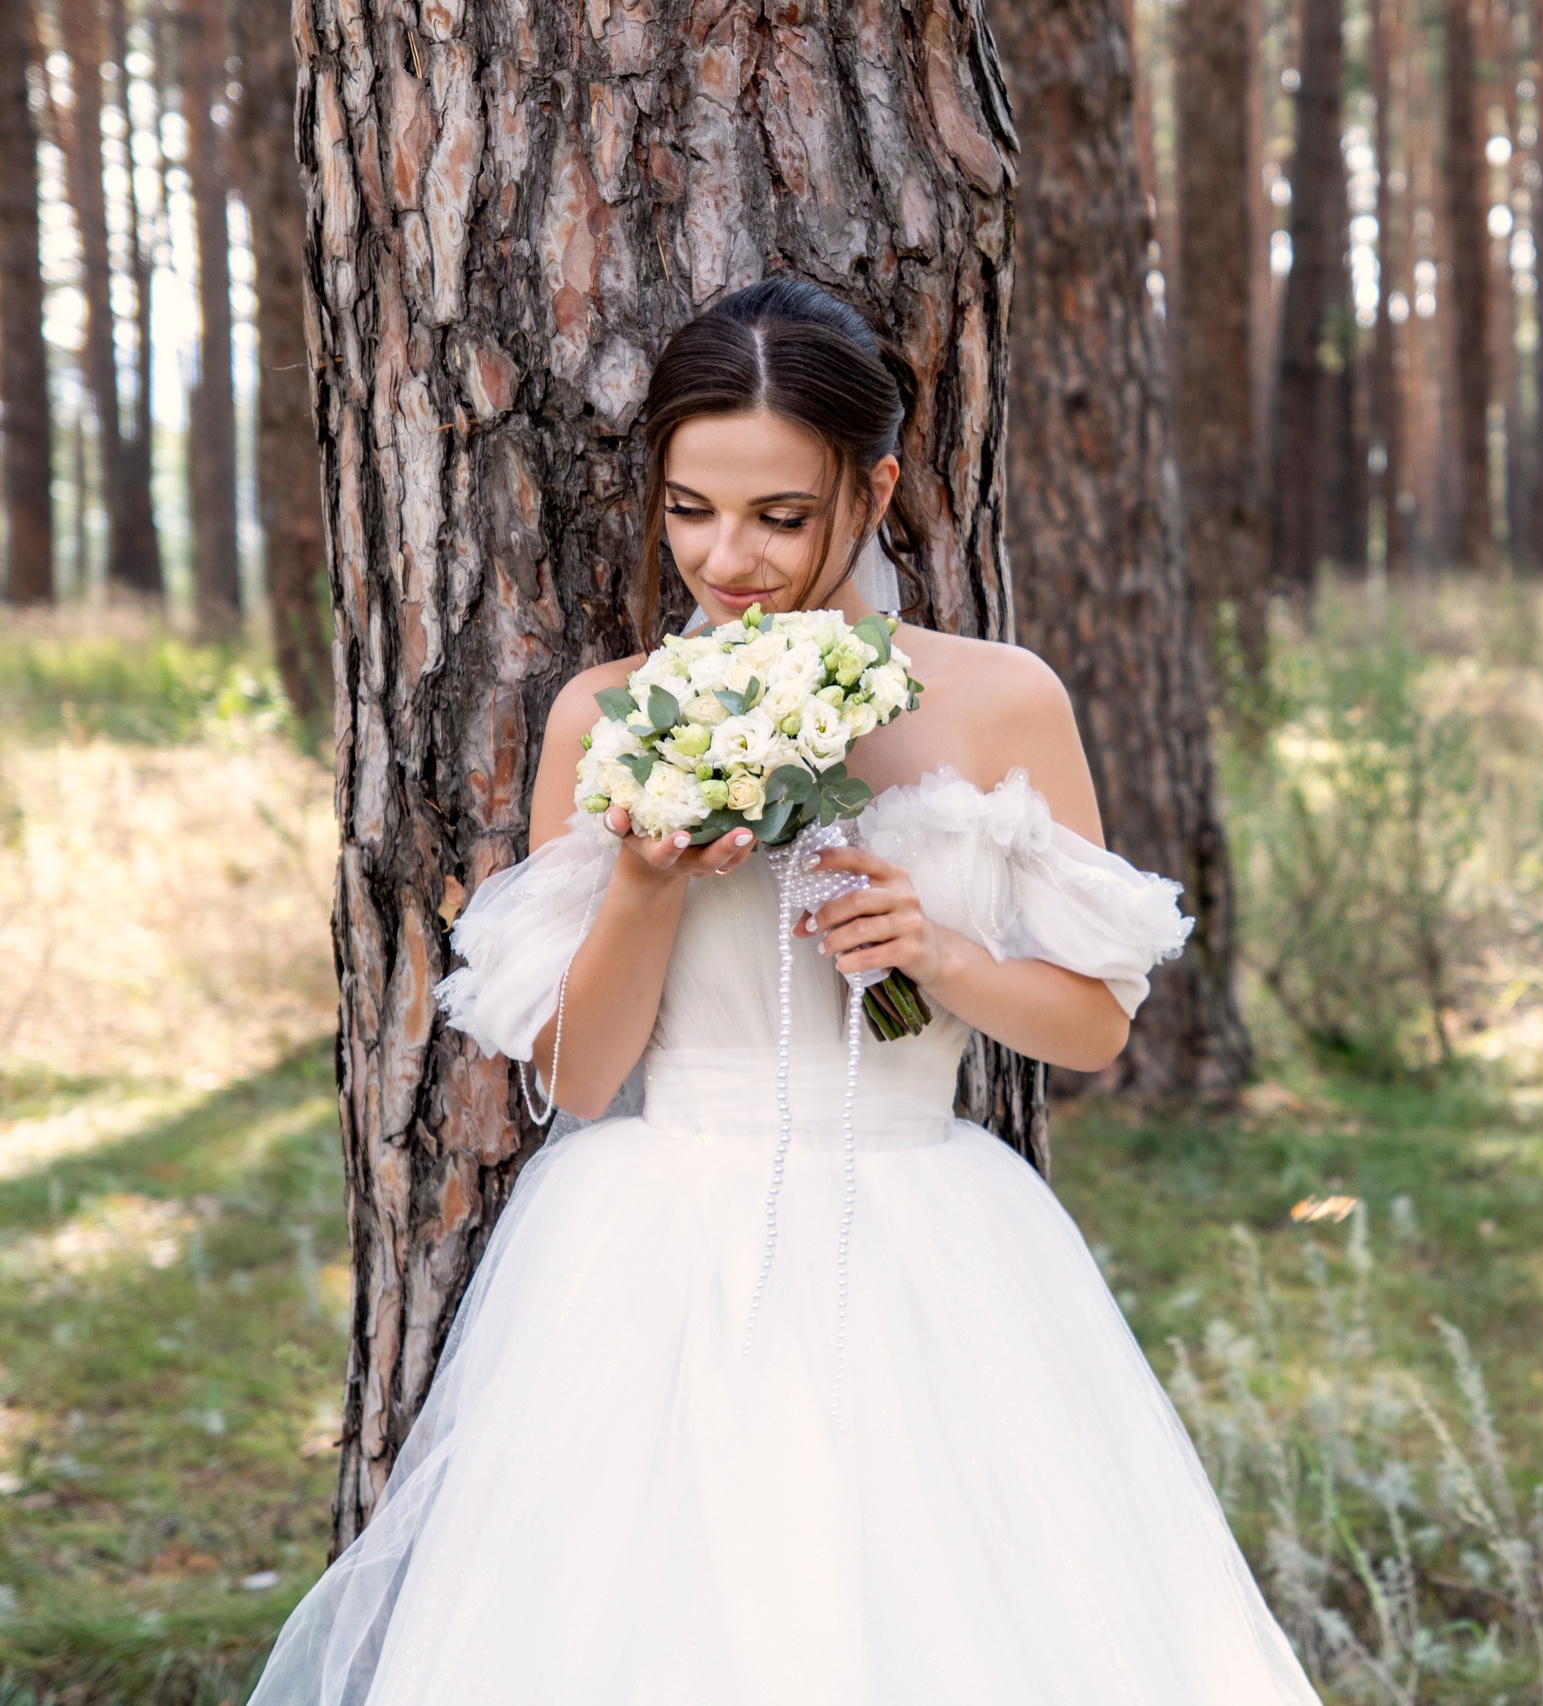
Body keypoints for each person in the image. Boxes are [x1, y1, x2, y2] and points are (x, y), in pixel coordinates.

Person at [247, 278, 1319, 1704]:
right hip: (657, 1251)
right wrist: (641, 880)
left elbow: (1098, 1028)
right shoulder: (612, 713)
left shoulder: (1006, 700)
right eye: (691, 509)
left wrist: (937, 952)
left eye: (779, 515)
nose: (728, 556)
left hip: (924, 1233)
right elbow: (575, 1074)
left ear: (873, 491)